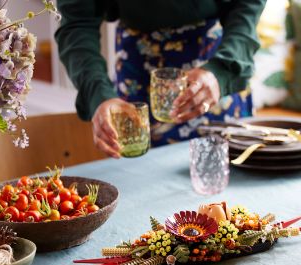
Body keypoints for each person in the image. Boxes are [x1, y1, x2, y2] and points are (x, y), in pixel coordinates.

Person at [55, 0, 267, 158]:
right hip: (138, 69)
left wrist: (221, 71)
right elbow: (77, 23)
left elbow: (247, 5)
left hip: (217, 63)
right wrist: (99, 95)